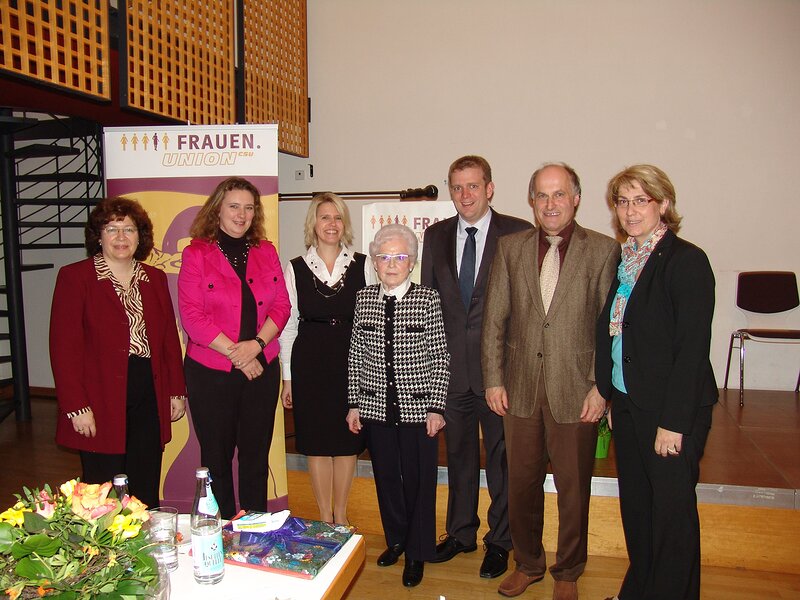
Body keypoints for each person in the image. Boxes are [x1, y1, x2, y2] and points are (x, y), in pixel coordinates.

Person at [482, 163, 620, 600]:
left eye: (559, 194)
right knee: (520, 483)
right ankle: (528, 563)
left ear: (576, 198)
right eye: (542, 196)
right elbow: (494, 320)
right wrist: (492, 378)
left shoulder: (601, 250)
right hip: (518, 387)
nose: (550, 204)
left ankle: (568, 571)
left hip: (576, 389)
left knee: (572, 487)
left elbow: (608, 327)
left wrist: (601, 387)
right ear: (531, 201)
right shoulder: (510, 248)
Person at [596, 165, 716, 600]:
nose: (630, 210)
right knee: (639, 511)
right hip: (630, 404)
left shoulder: (686, 261)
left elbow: (691, 350)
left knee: (671, 518)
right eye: (622, 201)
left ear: (663, 204)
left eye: (640, 200)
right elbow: (615, 334)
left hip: (670, 410)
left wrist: (674, 422)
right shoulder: (627, 260)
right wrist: (610, 391)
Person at [422, 155, 532, 579]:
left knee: (503, 460)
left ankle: (500, 541)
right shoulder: (435, 237)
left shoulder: (519, 233)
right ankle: (461, 533)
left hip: (500, 374)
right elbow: (430, 306)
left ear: (490, 188)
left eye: (473, 186)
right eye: (457, 187)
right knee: (460, 457)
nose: (465, 195)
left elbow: (527, 306)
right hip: (451, 372)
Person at [50, 197, 186, 509]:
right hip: (99, 395)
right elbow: (63, 347)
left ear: (141, 236)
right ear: (98, 236)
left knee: (144, 485)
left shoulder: (154, 278)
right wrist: (75, 405)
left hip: (148, 391)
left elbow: (167, 341)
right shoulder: (76, 278)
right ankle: (106, 554)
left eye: (129, 229)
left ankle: (145, 549)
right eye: (112, 229)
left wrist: (176, 390)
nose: (121, 237)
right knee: (103, 491)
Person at [178, 176, 290, 519]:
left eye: (248, 207)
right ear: (218, 209)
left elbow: (281, 307)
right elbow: (191, 317)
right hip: (211, 374)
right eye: (233, 206)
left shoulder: (266, 250)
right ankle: (223, 530)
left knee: (256, 457)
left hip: (261, 368)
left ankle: (254, 532)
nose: (241, 215)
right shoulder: (196, 253)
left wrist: (255, 346)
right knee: (216, 459)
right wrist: (237, 354)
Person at [346, 224, 450, 588]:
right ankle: (397, 541)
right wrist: (354, 403)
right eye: (384, 257)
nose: (392, 264)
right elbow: (356, 353)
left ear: (412, 263)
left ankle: (418, 551)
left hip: (418, 411)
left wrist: (437, 407)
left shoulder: (427, 299)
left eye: (400, 257)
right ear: (375, 263)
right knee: (387, 479)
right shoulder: (364, 298)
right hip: (375, 408)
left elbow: (440, 356)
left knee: (419, 482)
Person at [279, 193, 372, 524]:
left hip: (351, 361)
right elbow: (288, 327)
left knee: (347, 443)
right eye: (324, 217)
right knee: (317, 444)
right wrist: (288, 378)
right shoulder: (295, 269)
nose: (331, 224)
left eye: (337, 218)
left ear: (344, 224)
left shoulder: (364, 265)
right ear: (313, 224)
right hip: (310, 363)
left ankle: (342, 517)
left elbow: (372, 322)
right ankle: (323, 519)